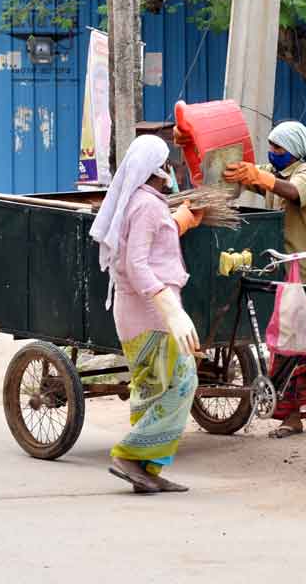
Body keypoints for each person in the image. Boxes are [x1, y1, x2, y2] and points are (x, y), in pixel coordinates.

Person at [90, 135, 208, 494]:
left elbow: (150, 246)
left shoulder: (146, 204)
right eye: (169, 163)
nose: (172, 169)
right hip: (150, 315)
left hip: (143, 311)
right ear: (158, 170)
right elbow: (136, 264)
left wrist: (179, 221)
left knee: (152, 389)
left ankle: (145, 470)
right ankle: (129, 456)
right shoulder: (146, 206)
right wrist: (169, 308)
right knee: (183, 381)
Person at [224, 121, 306, 439]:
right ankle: (292, 417)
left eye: (278, 148)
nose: (272, 153)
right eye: (270, 147)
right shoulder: (274, 171)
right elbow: (259, 177)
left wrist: (261, 178)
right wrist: (238, 172)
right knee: (291, 348)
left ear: (294, 150)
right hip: (290, 271)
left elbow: (294, 193)